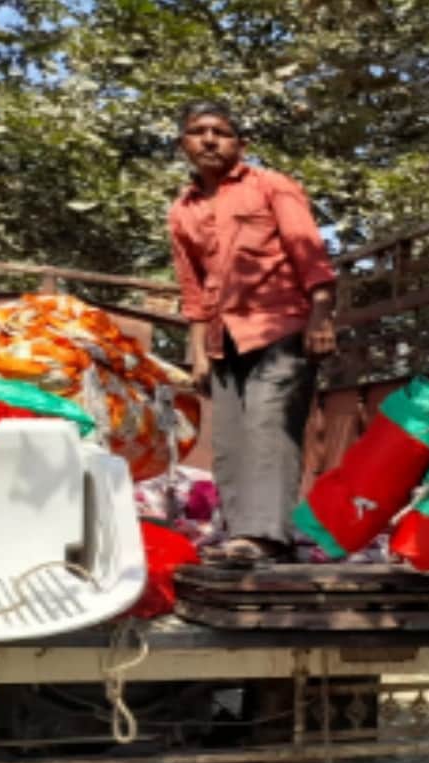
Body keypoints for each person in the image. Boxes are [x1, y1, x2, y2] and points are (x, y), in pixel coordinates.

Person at [167, 100, 337, 563]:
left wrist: (321, 314)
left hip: (280, 328)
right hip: (224, 338)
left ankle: (266, 536)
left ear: (240, 144)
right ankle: (244, 536)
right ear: (183, 144)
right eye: (197, 131)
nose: (208, 140)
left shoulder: (271, 186)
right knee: (229, 439)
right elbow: (192, 289)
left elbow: (310, 253)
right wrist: (199, 352)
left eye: (219, 132)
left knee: (268, 427)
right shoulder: (181, 211)